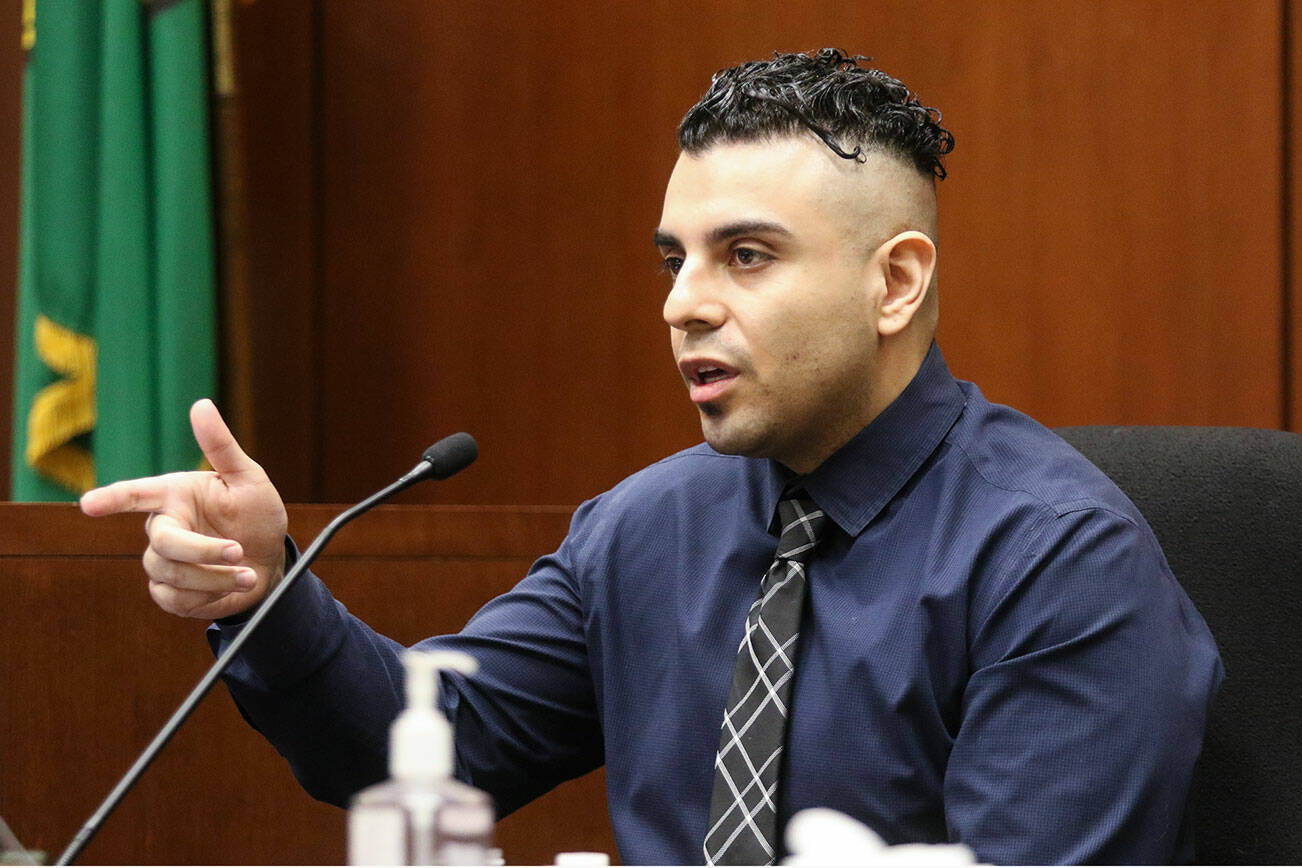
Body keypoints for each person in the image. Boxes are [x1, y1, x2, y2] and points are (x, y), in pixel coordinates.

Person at [81, 49, 1222, 865]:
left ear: (896, 281)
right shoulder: (643, 527)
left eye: (747, 256)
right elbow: (418, 745)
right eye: (673, 259)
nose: (683, 304)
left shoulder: (1062, 562)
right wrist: (266, 584)